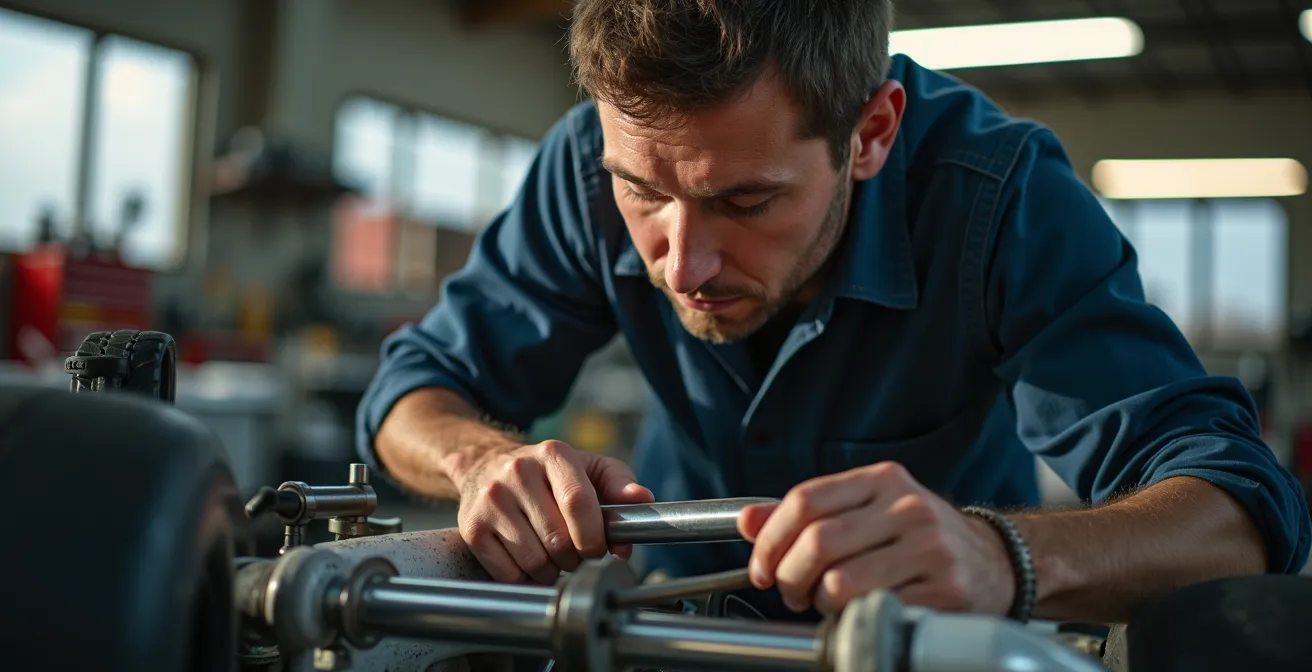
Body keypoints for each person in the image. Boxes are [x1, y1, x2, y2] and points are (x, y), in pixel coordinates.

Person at [356, 0, 1311, 624]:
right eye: (641, 192)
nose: (681, 262)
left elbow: (1238, 507)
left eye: (746, 201)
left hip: (926, 638)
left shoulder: (995, 197)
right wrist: (481, 462)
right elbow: (413, 391)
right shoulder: (581, 172)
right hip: (664, 622)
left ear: (872, 132)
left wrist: (1004, 556)